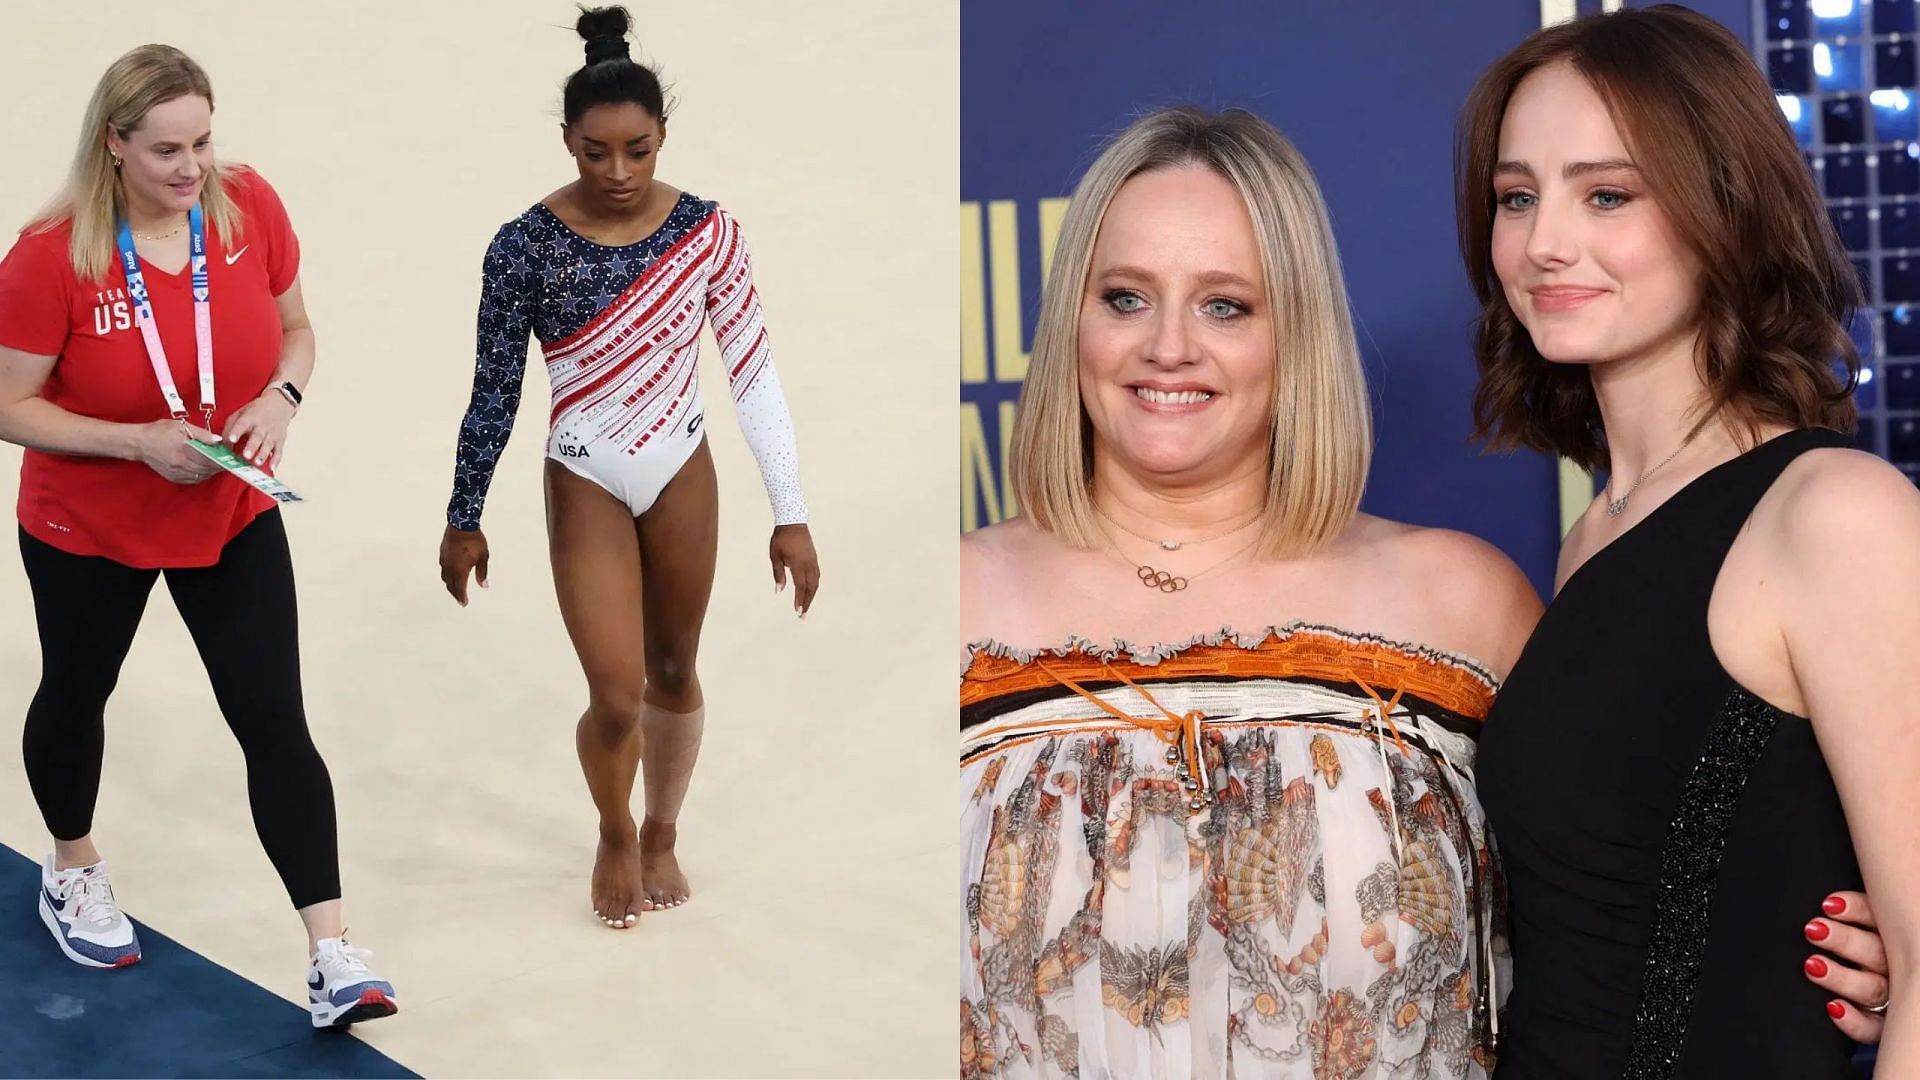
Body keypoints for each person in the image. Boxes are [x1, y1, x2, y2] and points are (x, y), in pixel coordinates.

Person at [959, 105, 1888, 1078]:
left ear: (1297, 335)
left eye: (1226, 304)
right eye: (1125, 298)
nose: (1170, 348)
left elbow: (1636, 902)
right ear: (1070, 318)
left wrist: (1845, 947)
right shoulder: (951, 606)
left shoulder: (1465, 605)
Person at [1461, 7, 1920, 1076]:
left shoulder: (1834, 516)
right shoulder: (1592, 540)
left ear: (1727, 209)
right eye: (1516, 198)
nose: (1546, 242)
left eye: (1607, 194)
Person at [0, 45, 395, 1028]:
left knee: (273, 719)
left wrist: (281, 398)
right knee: (77, 692)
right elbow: (7, 404)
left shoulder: (245, 207)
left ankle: (332, 952)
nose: (191, 168)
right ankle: (73, 867)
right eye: (168, 149)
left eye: (204, 142)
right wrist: (134, 443)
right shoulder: (51, 256)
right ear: (116, 146)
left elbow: (298, 329)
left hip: (227, 506)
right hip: (86, 524)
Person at [439, 5, 820, 928]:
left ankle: (661, 828)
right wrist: (465, 513)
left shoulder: (707, 234)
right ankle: (613, 826)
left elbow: (754, 375)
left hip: (679, 462)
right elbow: (495, 390)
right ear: (567, 141)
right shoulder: (522, 246)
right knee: (617, 694)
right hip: (585, 472)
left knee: (674, 669)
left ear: (661, 138)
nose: (617, 172)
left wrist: (791, 509)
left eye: (638, 151)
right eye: (595, 152)